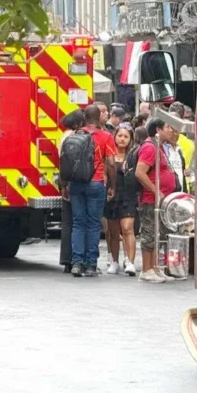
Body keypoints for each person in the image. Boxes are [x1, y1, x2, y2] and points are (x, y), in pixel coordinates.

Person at [69, 104, 116, 278]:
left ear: (85, 118)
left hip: (76, 184)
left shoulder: (75, 135)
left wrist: (65, 184)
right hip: (96, 183)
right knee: (93, 224)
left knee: (78, 223)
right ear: (98, 118)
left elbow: (66, 160)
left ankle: (76, 263)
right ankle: (90, 265)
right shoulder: (106, 136)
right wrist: (112, 185)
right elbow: (111, 163)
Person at [135, 118, 177, 283]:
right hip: (150, 200)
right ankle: (146, 269)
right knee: (149, 233)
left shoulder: (158, 146)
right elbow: (140, 172)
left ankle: (154, 267)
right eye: (167, 127)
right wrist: (156, 190)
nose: (171, 130)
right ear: (158, 130)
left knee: (157, 234)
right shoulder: (150, 148)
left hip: (159, 200)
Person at [104, 123, 139, 276]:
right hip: (111, 195)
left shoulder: (133, 156)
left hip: (128, 195)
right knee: (112, 232)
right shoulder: (109, 154)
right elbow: (104, 174)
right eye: (120, 136)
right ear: (115, 137)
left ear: (130, 139)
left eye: (126, 136)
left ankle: (130, 262)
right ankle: (114, 261)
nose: (122, 139)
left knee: (127, 228)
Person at [59, 109, 85, 273]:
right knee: (72, 221)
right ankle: (70, 259)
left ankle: (67, 259)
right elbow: (66, 162)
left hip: (66, 180)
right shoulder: (71, 137)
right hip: (71, 181)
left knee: (69, 221)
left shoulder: (65, 135)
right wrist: (64, 185)